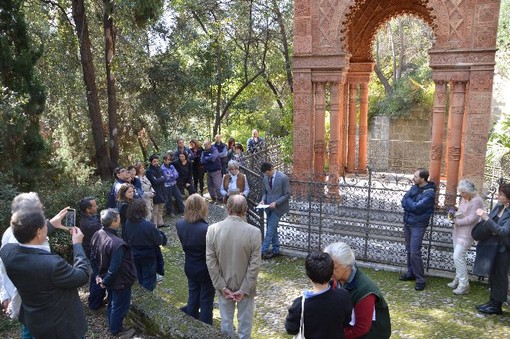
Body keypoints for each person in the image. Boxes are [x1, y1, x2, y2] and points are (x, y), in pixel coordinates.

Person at [0, 208, 89, 339]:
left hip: (35, 321)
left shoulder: (7, 252)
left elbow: (26, 239)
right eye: (44, 226)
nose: (46, 227)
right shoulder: (52, 264)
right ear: (38, 231)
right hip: (61, 328)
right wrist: (77, 244)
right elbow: (82, 276)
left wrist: (52, 224)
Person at [206, 195, 261, 338]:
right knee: (245, 324)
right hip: (245, 286)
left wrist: (221, 285)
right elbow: (254, 265)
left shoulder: (213, 229)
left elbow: (210, 261)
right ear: (246, 210)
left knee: (226, 323)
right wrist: (244, 288)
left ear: (227, 208)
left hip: (224, 284)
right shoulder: (254, 232)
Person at [324, 241, 391, 339]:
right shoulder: (337, 279)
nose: (329, 271)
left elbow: (361, 328)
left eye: (334, 268)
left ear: (347, 266)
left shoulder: (364, 291)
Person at [90, 209, 137, 338]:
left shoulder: (97, 234)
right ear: (114, 222)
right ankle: (117, 331)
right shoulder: (117, 244)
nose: (120, 220)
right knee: (119, 306)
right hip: (119, 281)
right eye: (118, 219)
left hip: (107, 278)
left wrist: (99, 276)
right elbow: (114, 268)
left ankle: (113, 325)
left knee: (112, 302)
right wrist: (104, 281)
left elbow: (92, 258)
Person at [285, 251, 352, 338]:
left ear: (308, 275)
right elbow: (347, 322)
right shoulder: (343, 296)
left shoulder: (300, 305)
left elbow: (291, 329)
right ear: (331, 273)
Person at [176, 194, 215, 325]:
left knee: (193, 296)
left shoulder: (180, 224)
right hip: (204, 269)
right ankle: (205, 328)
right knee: (206, 300)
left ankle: (191, 323)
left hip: (190, 265)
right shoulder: (206, 229)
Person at [472, 183, 510, 315]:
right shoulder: (499, 206)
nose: (498, 196)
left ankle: (497, 306)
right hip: (492, 246)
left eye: (502, 195)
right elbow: (493, 227)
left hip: (504, 249)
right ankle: (492, 302)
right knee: (493, 275)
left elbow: (503, 231)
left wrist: (486, 218)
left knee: (500, 276)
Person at [400, 168, 436, 291]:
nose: (413, 178)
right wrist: (410, 204)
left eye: (416, 176)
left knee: (415, 251)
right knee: (409, 249)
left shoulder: (430, 193)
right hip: (408, 222)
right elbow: (402, 200)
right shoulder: (414, 187)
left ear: (423, 179)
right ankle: (410, 273)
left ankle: (420, 279)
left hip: (418, 225)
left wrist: (409, 203)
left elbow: (417, 207)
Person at [447, 179, 484, 295]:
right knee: (457, 257)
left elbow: (473, 218)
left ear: (470, 191)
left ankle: (464, 285)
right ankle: (458, 279)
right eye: (460, 192)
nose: (461, 194)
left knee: (458, 256)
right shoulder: (464, 198)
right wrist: (454, 215)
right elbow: (462, 212)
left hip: (467, 233)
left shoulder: (477, 200)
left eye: (463, 192)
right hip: (457, 231)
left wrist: (458, 221)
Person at [123, 199, 167, 291]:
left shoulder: (127, 223)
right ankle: (146, 295)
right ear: (143, 210)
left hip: (134, 254)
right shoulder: (148, 225)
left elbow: (125, 238)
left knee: (140, 274)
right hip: (148, 255)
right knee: (149, 277)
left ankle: (142, 291)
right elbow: (159, 240)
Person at [78, 196, 107, 311]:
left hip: (92, 251)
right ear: (87, 209)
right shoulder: (91, 224)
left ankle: (96, 300)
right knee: (98, 276)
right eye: (94, 206)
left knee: (96, 274)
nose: (97, 207)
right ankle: (95, 303)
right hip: (95, 253)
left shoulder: (88, 219)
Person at [259, 162, 290, 259]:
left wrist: (276, 203)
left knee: (270, 230)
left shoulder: (283, 178)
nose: (267, 175)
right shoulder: (265, 178)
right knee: (273, 229)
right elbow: (265, 193)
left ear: (272, 169)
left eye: (268, 173)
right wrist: (262, 200)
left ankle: (262, 252)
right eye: (265, 174)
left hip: (278, 208)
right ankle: (276, 249)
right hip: (268, 207)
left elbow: (287, 194)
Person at [146, 154, 167, 227]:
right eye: (154, 161)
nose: (156, 163)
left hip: (162, 190)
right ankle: (155, 225)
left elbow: (165, 177)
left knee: (161, 209)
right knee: (155, 210)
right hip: (155, 192)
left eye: (157, 161)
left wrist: (160, 179)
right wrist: (161, 178)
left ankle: (160, 223)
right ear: (151, 162)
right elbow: (154, 182)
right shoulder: (149, 171)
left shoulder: (160, 168)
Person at [161, 153, 185, 217]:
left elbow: (177, 174)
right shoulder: (162, 168)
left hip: (174, 184)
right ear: (164, 160)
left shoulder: (171, 166)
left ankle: (182, 209)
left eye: (168, 159)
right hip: (167, 186)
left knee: (179, 196)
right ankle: (171, 212)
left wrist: (171, 175)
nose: (167, 161)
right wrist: (172, 175)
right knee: (169, 199)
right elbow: (166, 178)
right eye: (166, 160)